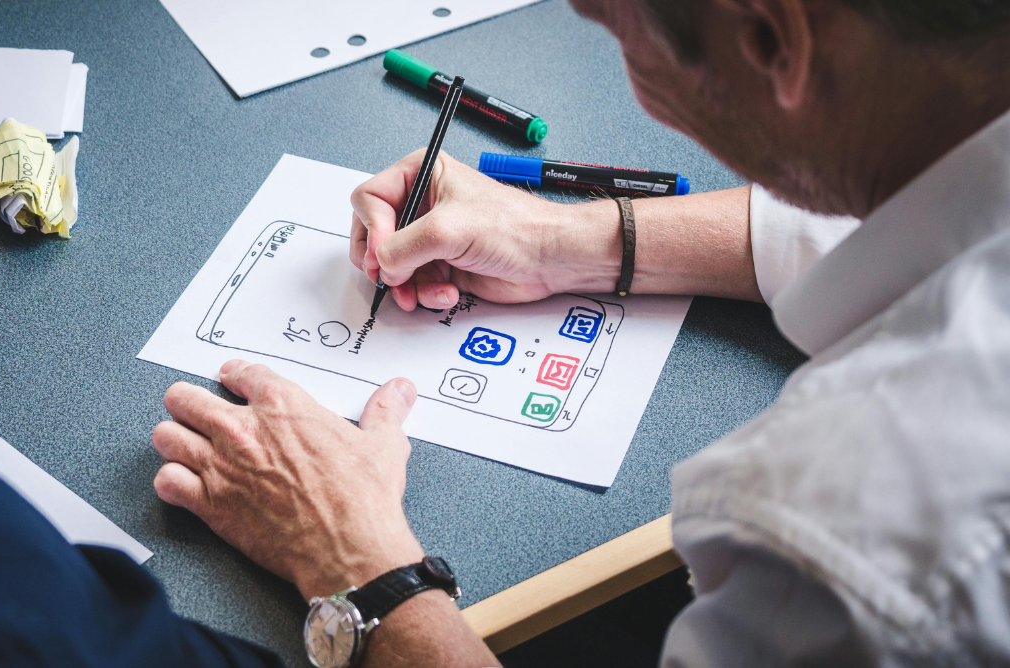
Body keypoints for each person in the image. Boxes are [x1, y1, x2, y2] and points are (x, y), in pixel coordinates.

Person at [150, 0, 1010, 665]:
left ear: (769, 40)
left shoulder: (851, 541)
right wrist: (568, 240)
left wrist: (361, 568)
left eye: (610, 24)